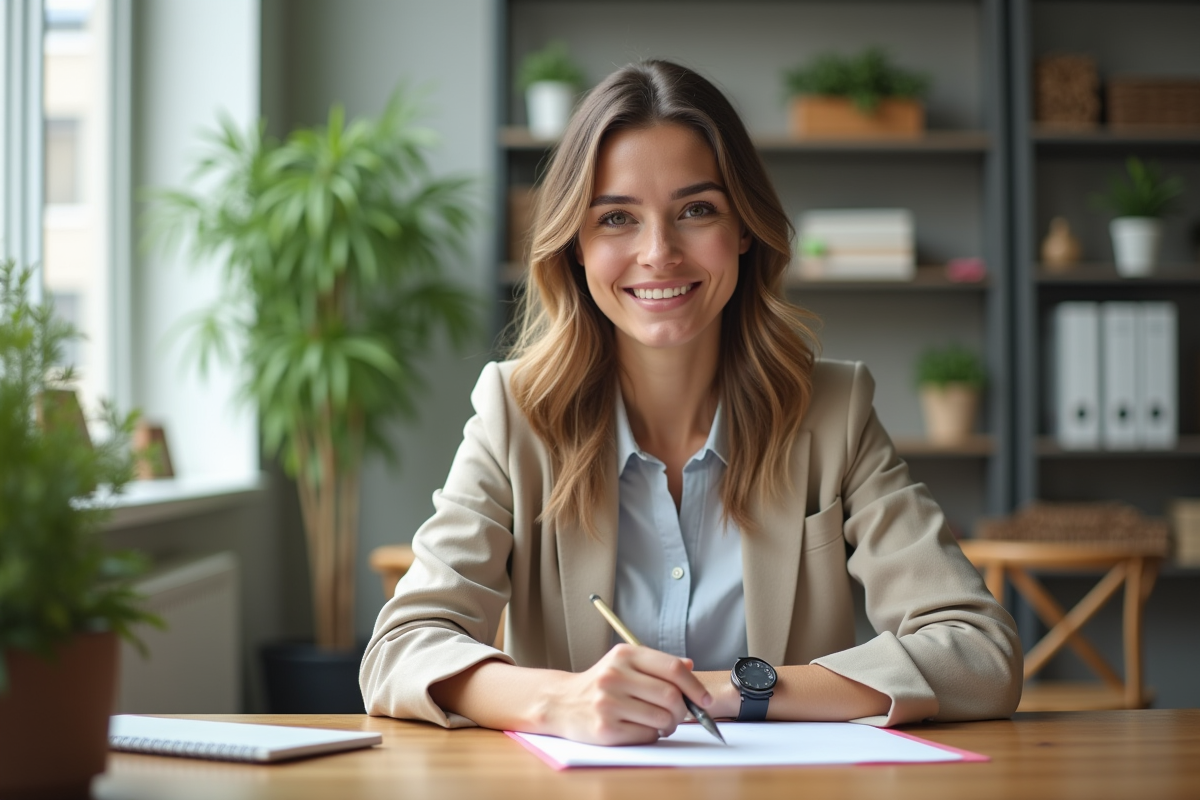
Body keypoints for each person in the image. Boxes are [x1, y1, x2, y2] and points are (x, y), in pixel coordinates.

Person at [360, 60, 1021, 745]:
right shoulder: (515, 411)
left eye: (696, 210)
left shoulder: (833, 411)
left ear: (744, 230)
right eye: (616, 218)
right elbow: (400, 651)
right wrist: (561, 701)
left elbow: (980, 653)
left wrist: (729, 691)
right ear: (576, 248)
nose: (658, 252)